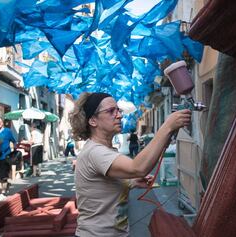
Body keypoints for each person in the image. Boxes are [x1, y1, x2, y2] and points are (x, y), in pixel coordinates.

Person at [69, 92, 191, 237]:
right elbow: (138, 168)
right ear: (93, 121)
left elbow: (105, 184)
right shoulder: (95, 152)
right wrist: (167, 126)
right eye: (110, 111)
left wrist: (131, 182)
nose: (119, 115)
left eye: (118, 110)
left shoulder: (105, 150)